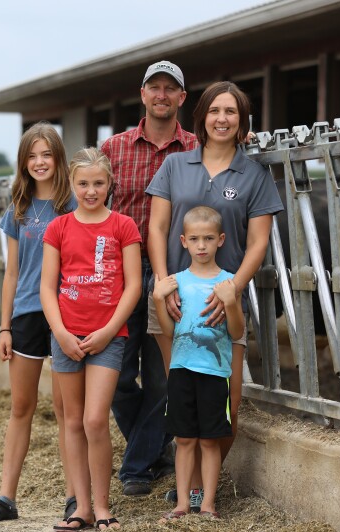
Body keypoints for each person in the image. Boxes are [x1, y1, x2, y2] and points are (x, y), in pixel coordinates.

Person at [147, 81, 284, 512]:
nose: (222, 119)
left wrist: (233, 290)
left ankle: (204, 492)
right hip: (176, 300)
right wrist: (162, 281)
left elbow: (259, 241)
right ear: (201, 117)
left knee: (230, 400)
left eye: (231, 112)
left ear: (243, 121)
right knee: (180, 394)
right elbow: (155, 227)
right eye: (214, 111)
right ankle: (186, 491)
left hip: (223, 305)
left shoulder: (254, 175)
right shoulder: (174, 165)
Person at [100, 60, 198, 497]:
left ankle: (136, 468)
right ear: (142, 95)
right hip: (119, 271)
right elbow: (89, 196)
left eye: (169, 89)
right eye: (153, 88)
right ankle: (155, 448)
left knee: (160, 376)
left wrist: (244, 138)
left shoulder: (197, 148)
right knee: (117, 372)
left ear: (182, 97)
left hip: (170, 271)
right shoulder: (113, 148)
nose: (161, 95)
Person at [0, 122, 77, 523]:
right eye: (31, 156)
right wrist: (4, 326)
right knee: (22, 406)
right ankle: (5, 497)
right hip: (28, 314)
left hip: (67, 313)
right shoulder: (17, 209)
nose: (39, 162)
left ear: (58, 158)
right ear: (23, 162)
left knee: (68, 411)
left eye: (46, 155)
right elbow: (12, 273)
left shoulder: (71, 205)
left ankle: (74, 497)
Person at [41, 147, 142, 532]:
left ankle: (103, 506)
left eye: (98, 183)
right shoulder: (59, 228)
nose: (91, 190)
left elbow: (133, 286)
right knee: (72, 422)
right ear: (71, 184)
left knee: (96, 419)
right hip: (67, 336)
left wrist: (107, 331)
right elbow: (48, 288)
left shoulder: (123, 226)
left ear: (110, 183)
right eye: (83, 183)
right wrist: (61, 333)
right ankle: (80, 507)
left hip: (108, 336)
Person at [153, 206, 244, 520]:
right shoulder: (175, 283)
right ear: (183, 241)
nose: (201, 245)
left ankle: (207, 504)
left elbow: (237, 332)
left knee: (209, 440)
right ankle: (181, 504)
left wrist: (231, 303)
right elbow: (170, 332)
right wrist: (157, 300)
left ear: (221, 240)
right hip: (181, 371)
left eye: (208, 238)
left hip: (215, 373)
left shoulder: (229, 283)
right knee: (184, 439)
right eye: (194, 239)